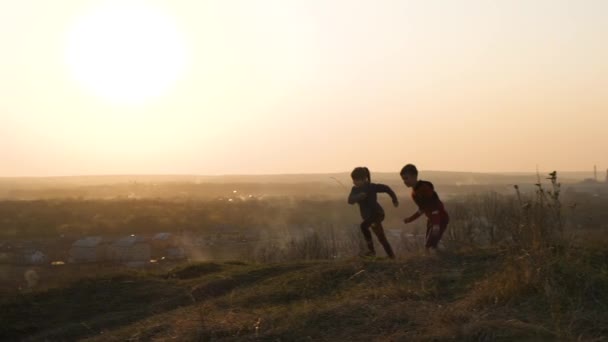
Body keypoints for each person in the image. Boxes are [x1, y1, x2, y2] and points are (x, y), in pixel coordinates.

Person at [348, 167, 398, 259]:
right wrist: (358, 196)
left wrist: (394, 199)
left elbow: (387, 188)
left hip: (378, 214)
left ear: (364, 179)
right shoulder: (355, 189)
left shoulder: (371, 187)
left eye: (356, 180)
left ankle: (372, 251)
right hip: (368, 217)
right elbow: (350, 200)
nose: (354, 182)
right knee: (380, 237)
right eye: (353, 180)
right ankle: (391, 256)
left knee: (364, 227)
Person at [400, 164, 449, 251]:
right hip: (431, 220)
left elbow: (435, 206)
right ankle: (440, 258)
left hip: (440, 218)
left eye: (406, 178)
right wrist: (410, 219)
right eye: (403, 179)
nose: (405, 181)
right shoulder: (414, 193)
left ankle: (443, 258)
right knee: (429, 245)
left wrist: (436, 225)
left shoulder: (424, 188)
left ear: (414, 176)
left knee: (429, 245)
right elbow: (422, 209)